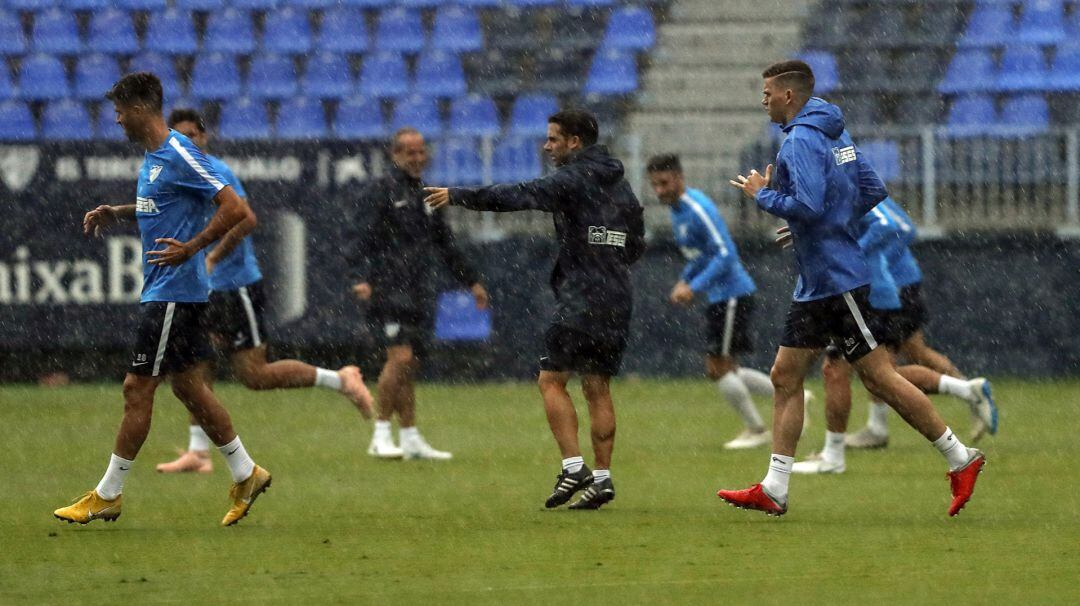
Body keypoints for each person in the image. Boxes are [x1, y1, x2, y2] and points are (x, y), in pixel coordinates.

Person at [718, 60, 985, 517]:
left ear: (788, 96)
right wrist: (821, 228)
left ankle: (961, 458)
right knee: (785, 375)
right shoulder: (832, 129)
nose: (762, 100)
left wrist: (762, 194)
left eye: (766, 93)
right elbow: (871, 188)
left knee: (880, 377)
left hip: (836, 281)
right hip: (821, 279)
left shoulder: (800, 139)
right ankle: (775, 487)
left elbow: (806, 203)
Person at [55, 72, 270, 526]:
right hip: (172, 291)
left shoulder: (177, 152)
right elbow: (164, 205)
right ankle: (246, 472)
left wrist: (192, 247)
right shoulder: (153, 157)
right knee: (190, 387)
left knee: (137, 388)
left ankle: (108, 494)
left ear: (139, 109)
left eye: (119, 111)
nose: (116, 120)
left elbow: (234, 208)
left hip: (173, 292)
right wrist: (120, 211)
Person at [424, 109, 646, 510]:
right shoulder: (623, 187)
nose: (546, 146)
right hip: (617, 296)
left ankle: (574, 466)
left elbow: (521, 194)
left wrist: (460, 196)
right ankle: (603, 477)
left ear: (574, 142)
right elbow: (635, 246)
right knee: (597, 386)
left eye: (553, 139)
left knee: (550, 380)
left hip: (582, 297)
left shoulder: (571, 179)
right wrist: (605, 259)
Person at [155, 108, 374, 474]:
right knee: (196, 368)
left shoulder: (215, 172)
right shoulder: (176, 176)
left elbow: (247, 219)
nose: (188, 142)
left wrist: (212, 258)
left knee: (254, 375)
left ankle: (341, 380)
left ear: (204, 138)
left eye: (194, 135)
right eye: (180, 136)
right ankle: (198, 452)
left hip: (235, 286)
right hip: (202, 290)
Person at [789, 198, 998, 474]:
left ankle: (834, 455)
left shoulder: (847, 186)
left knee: (850, 371)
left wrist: (853, 257)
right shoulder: (834, 189)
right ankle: (964, 392)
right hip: (871, 290)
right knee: (881, 373)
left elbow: (896, 227)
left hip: (868, 292)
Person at [350, 128, 489, 460]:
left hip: (417, 288)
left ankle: (410, 437)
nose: (416, 158)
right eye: (409, 152)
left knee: (410, 364)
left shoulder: (429, 195)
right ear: (395, 155)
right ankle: (381, 433)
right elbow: (359, 238)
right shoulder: (381, 191)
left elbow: (446, 243)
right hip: (387, 287)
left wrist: (471, 281)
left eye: (420, 152)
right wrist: (361, 277)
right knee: (399, 359)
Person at [648, 153, 803, 450]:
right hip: (722, 296)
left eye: (664, 183)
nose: (659, 191)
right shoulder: (678, 210)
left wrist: (694, 286)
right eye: (654, 185)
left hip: (731, 294)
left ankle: (757, 429)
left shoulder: (697, 208)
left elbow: (725, 253)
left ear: (679, 178)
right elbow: (700, 255)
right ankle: (792, 397)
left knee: (717, 367)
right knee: (724, 367)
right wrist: (685, 278)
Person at [845, 200, 998, 447]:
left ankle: (968, 391)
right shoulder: (857, 191)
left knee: (883, 366)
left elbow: (904, 229)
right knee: (902, 357)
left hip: (896, 283)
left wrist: (877, 258)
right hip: (893, 284)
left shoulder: (864, 193)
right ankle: (969, 392)